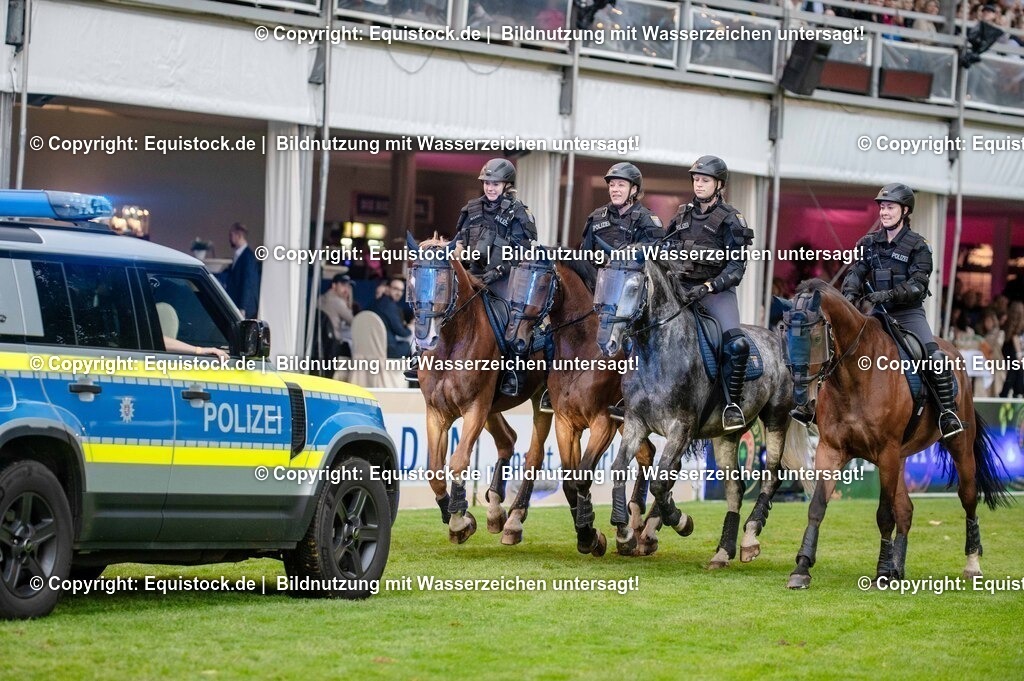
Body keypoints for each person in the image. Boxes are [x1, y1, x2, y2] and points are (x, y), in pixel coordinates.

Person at [841, 183, 963, 440]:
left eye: (890, 207)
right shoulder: (868, 243)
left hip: (908, 314)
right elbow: (856, 272)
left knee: (935, 358)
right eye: (882, 207)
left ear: (905, 210)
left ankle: (947, 414)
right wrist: (850, 293)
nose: (884, 212)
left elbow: (918, 284)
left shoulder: (919, 245)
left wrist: (888, 295)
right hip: (877, 314)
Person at [663, 155, 754, 432]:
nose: (699, 184)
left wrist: (710, 286)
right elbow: (664, 249)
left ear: (719, 184)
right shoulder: (681, 215)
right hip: (680, 290)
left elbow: (737, 267)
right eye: (696, 179)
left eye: (704, 180)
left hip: (715, 293)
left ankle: (731, 404)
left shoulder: (731, 220)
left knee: (736, 345)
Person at [579, 161, 664, 419]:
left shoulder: (648, 220)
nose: (615, 189)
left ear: (634, 189)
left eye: (621, 185)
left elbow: (658, 263)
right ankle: (556, 386)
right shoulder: (596, 218)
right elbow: (585, 258)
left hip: (631, 301)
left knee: (633, 343)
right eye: (612, 185)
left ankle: (629, 396)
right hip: (599, 294)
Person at [452, 158, 538, 397]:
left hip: (505, 281)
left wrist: (498, 272)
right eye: (487, 182)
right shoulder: (471, 208)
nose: (490, 187)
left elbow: (524, 251)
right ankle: (422, 357)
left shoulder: (519, 212)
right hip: (472, 276)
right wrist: (458, 254)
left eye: (496, 183)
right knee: (441, 308)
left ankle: (514, 372)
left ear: (506, 185)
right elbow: (459, 240)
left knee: (515, 322)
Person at [221, 222, 261, 318]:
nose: (230, 238)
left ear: (239, 236)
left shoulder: (247, 257)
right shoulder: (241, 255)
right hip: (239, 305)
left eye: (231, 235)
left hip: (244, 308)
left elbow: (247, 283)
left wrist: (242, 308)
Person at [370, 277, 413, 359]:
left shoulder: (374, 303)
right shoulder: (390, 306)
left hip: (370, 348)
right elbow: (402, 332)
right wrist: (410, 328)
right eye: (396, 289)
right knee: (410, 345)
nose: (399, 293)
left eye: (401, 290)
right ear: (387, 288)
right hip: (386, 350)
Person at [318, 272, 357, 359]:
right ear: (334, 286)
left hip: (319, 342)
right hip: (333, 344)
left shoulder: (321, 298)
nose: (346, 289)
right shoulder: (337, 302)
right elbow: (354, 322)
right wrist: (349, 300)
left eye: (348, 286)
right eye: (343, 285)